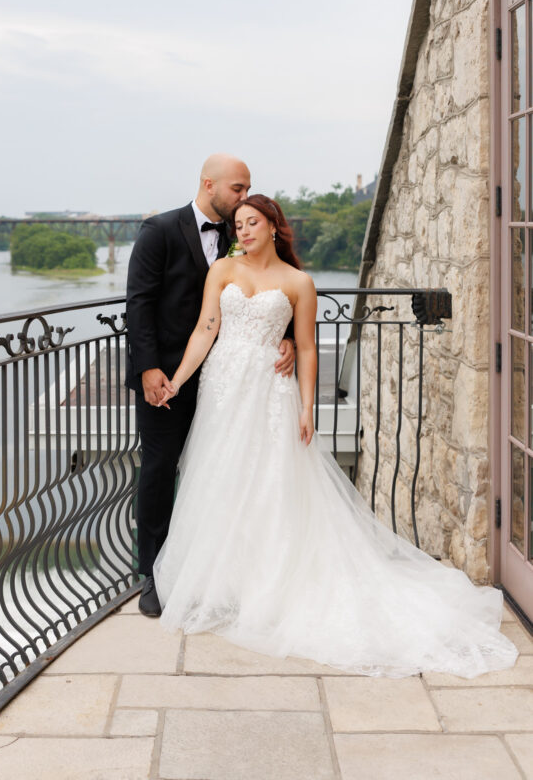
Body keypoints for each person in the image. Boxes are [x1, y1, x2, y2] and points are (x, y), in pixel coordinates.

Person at [152, 195, 519, 678]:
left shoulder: (299, 283)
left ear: (272, 226)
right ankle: (226, 582)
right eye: (238, 224)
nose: (243, 231)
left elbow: (306, 348)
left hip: (268, 392)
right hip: (222, 388)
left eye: (252, 223)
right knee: (220, 476)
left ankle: (270, 583)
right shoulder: (222, 270)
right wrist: (177, 380)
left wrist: (307, 408)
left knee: (269, 483)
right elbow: (205, 328)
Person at [126, 156, 296, 617]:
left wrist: (288, 338)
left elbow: (274, 289)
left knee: (223, 471)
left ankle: (220, 571)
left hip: (231, 378)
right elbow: (138, 304)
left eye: (248, 192)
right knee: (160, 470)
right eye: (238, 189)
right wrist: (148, 370)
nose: (244, 199)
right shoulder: (158, 230)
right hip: (166, 377)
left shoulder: (239, 232)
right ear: (209, 185)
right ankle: (153, 575)